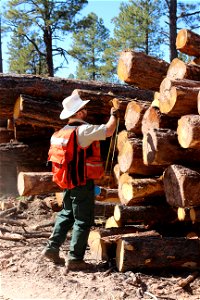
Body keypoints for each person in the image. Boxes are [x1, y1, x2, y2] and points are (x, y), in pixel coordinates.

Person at [42, 93, 119, 272]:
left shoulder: (60, 133)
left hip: (67, 182)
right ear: (80, 112)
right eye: (84, 109)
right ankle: (75, 259)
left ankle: (51, 248)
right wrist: (114, 115)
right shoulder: (82, 131)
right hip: (82, 183)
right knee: (82, 221)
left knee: (66, 214)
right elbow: (108, 130)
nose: (86, 111)